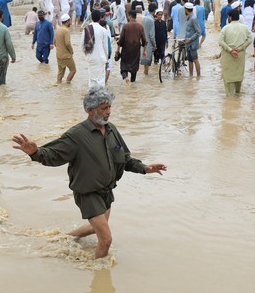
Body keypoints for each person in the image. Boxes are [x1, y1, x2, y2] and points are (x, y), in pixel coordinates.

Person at [12, 85, 167, 259]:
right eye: (103, 108)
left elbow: (124, 158)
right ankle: (98, 275)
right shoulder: (76, 135)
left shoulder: (111, 130)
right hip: (87, 193)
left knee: (96, 227)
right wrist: (35, 152)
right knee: (106, 239)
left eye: (109, 107)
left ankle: (65, 238)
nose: (108, 112)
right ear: (90, 110)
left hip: (106, 192)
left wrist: (145, 168)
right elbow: (53, 155)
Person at [218, 9, 253, 96]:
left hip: (228, 57)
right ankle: (237, 102)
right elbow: (250, 39)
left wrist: (230, 50)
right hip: (239, 56)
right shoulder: (244, 28)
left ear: (229, 17)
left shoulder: (225, 28)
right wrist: (241, 48)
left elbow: (220, 42)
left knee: (228, 81)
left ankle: (230, 102)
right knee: (238, 78)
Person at [116, 10, 146, 83]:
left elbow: (121, 39)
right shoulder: (140, 26)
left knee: (124, 67)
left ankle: (125, 77)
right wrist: (145, 51)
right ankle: (132, 82)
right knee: (134, 68)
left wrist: (117, 50)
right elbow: (144, 40)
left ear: (129, 16)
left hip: (126, 49)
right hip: (136, 50)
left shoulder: (126, 26)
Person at [82, 10, 108, 87]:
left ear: (91, 18)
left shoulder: (86, 29)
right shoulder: (103, 30)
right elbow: (105, 46)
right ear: (100, 18)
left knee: (92, 79)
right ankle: (100, 97)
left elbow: (82, 45)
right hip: (101, 58)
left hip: (90, 57)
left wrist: (87, 56)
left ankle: (91, 96)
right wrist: (105, 58)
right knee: (100, 80)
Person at [53, 14, 76, 83]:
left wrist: (60, 48)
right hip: (66, 55)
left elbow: (54, 42)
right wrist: (71, 51)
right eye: (70, 21)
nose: (70, 22)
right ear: (67, 21)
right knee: (73, 70)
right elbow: (67, 43)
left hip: (59, 55)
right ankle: (67, 84)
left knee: (60, 72)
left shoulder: (57, 30)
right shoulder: (66, 31)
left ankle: (59, 84)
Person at [184, 2, 201, 77]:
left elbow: (198, 32)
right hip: (188, 44)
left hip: (192, 44)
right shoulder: (189, 18)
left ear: (186, 10)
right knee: (190, 60)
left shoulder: (193, 19)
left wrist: (190, 39)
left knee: (195, 60)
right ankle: (191, 76)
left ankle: (198, 76)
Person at [141, 4, 156, 75]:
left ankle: (145, 74)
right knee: (147, 61)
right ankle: (146, 75)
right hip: (149, 43)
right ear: (154, 11)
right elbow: (152, 35)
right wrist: (154, 45)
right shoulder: (151, 20)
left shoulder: (144, 18)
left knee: (144, 60)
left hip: (143, 42)